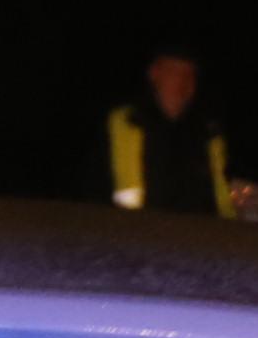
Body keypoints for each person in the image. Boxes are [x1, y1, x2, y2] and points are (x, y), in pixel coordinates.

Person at [101, 46, 247, 222]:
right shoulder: (129, 120)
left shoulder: (209, 129)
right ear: (154, 73)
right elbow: (124, 193)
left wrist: (230, 227)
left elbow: (220, 191)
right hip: (142, 232)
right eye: (174, 72)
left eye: (190, 74)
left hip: (202, 234)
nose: (183, 82)